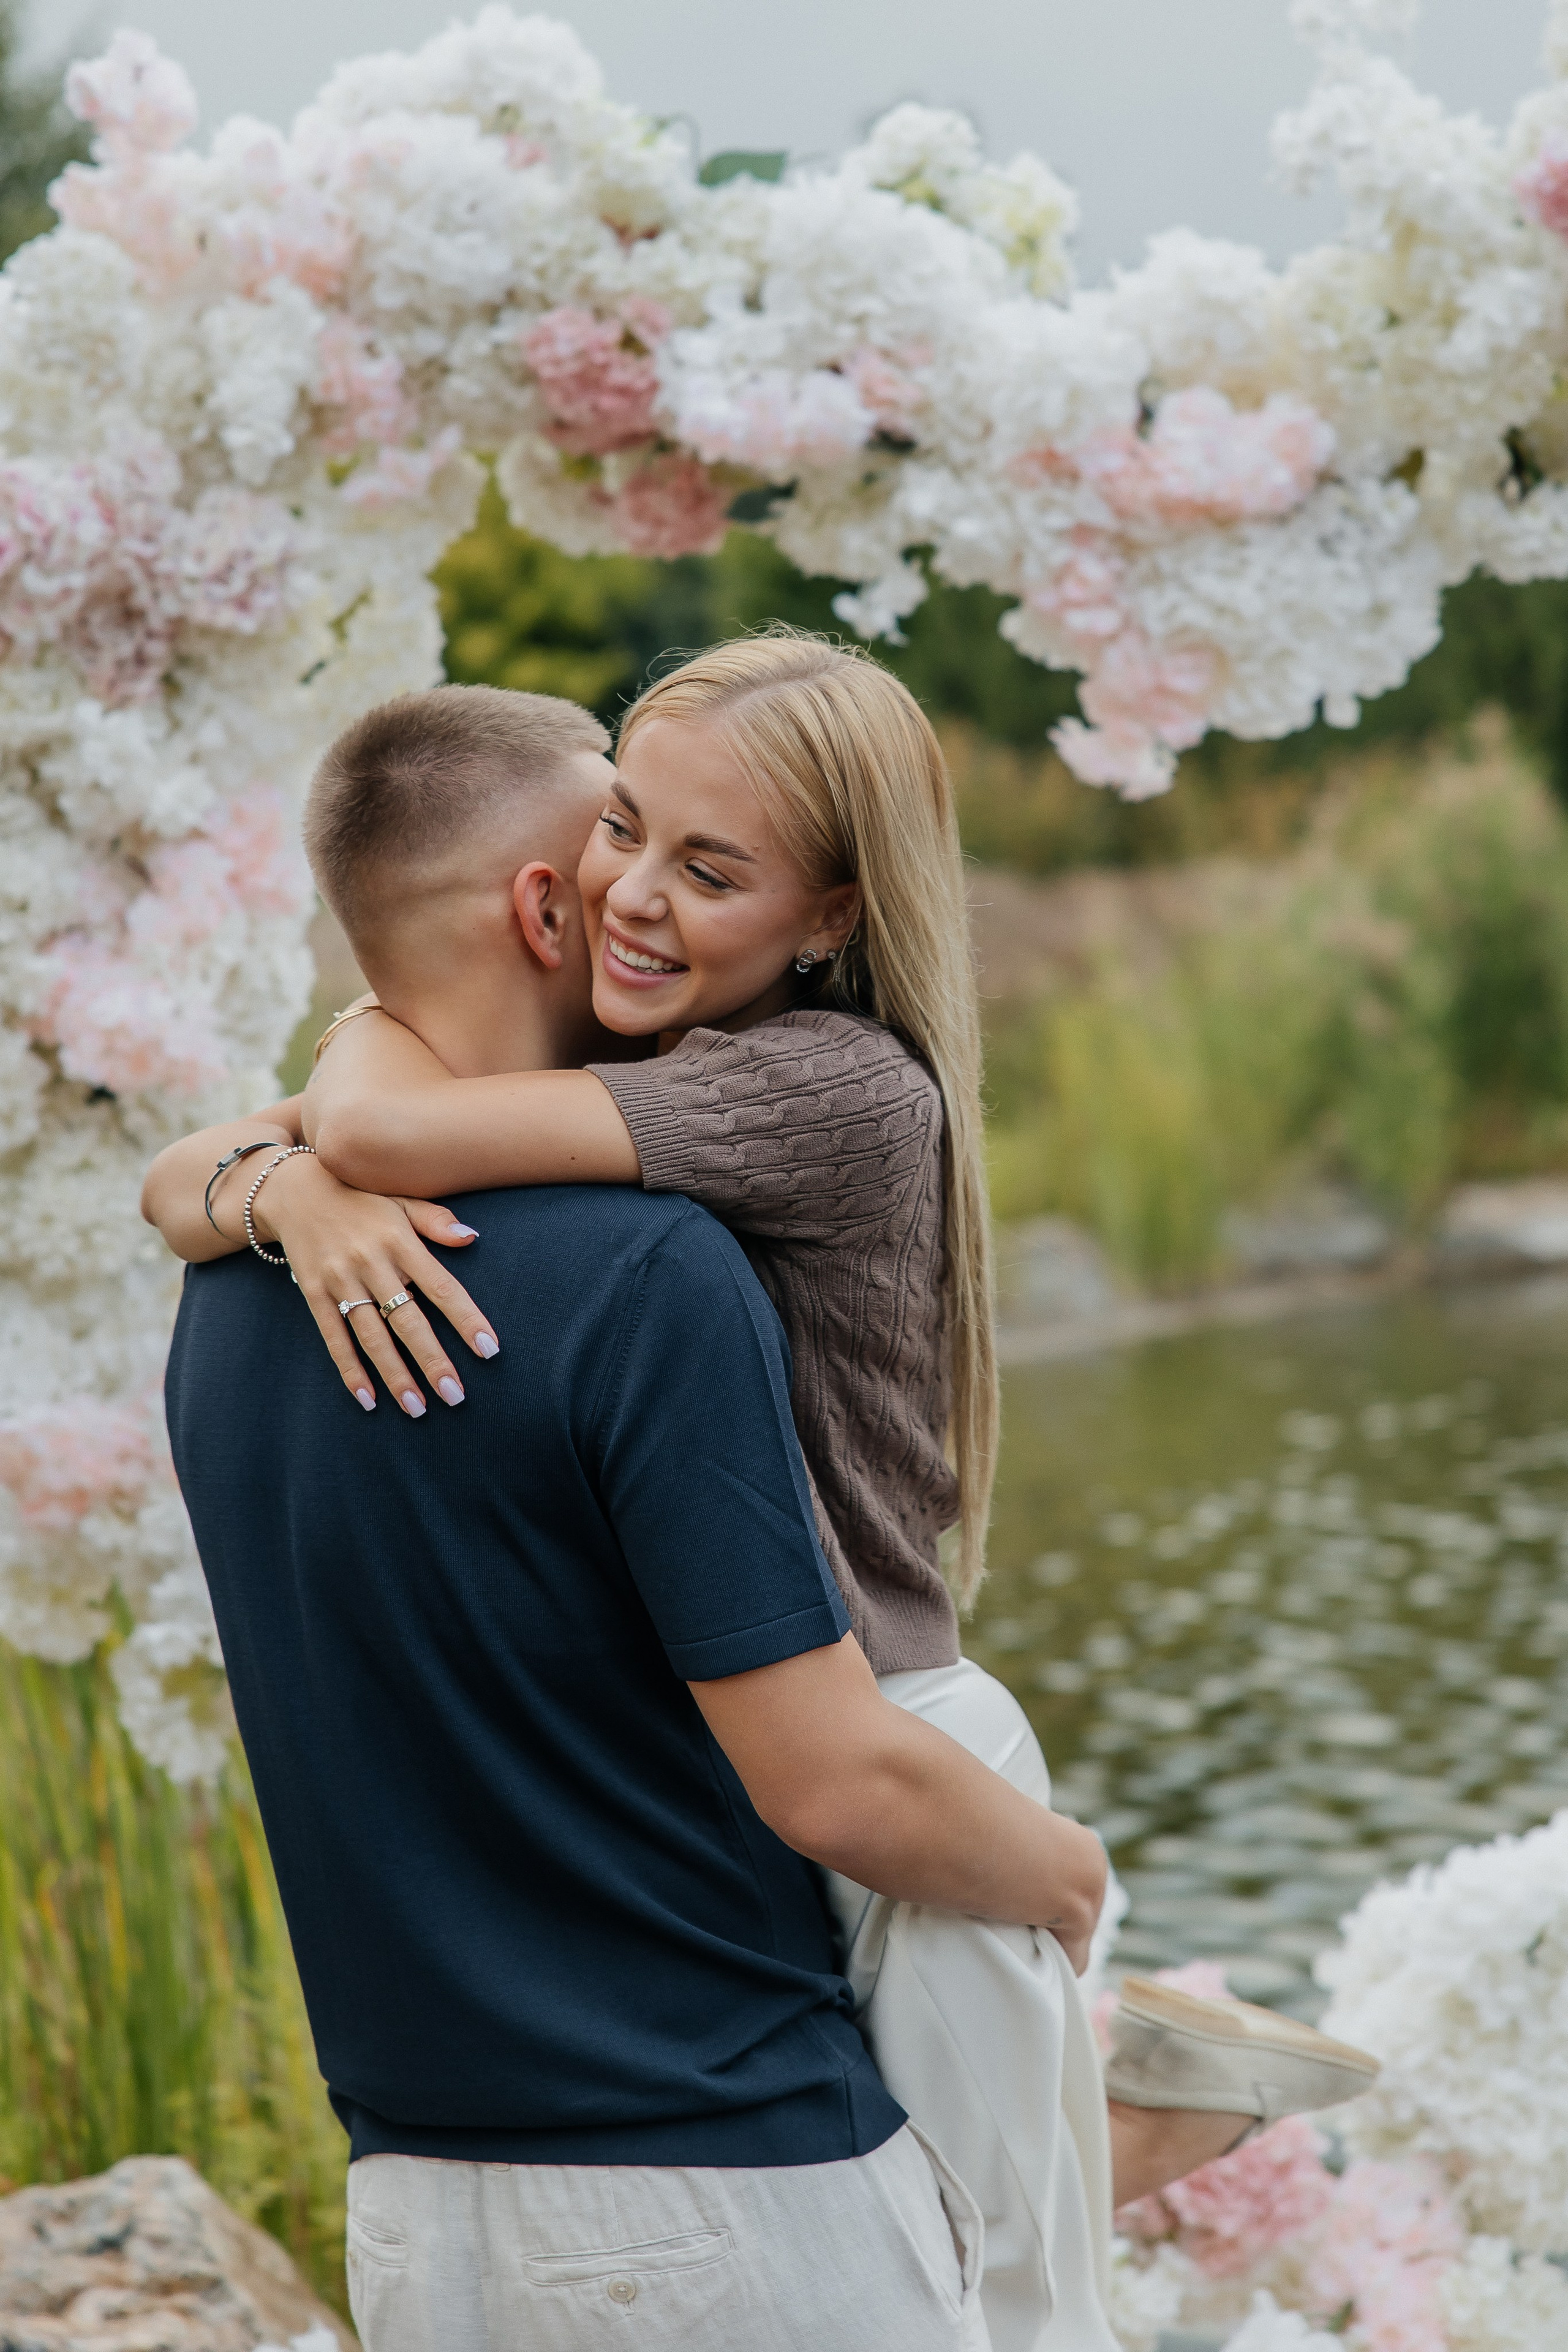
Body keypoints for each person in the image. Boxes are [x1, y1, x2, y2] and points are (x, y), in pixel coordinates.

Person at [146, 662, 1378, 2351]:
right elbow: (824, 1780)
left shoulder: (244, 1294)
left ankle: (1133, 2120)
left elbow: (324, 1136)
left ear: (830, 913)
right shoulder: (626, 1258)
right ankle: (1150, 2121)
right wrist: (1070, 1872)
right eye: (622, 834)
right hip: (761, 2009)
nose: (633, 894)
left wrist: (289, 1164)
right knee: (1009, 2273)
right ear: (542, 902)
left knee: (1021, 2267)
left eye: (707, 867)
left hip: (449, 2170)